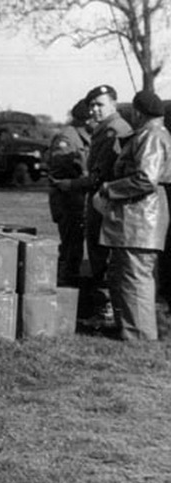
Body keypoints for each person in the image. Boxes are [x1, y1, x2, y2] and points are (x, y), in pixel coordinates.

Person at [92, 90, 171, 340]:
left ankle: (139, 335)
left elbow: (146, 179)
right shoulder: (156, 134)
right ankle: (131, 328)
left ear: (137, 112)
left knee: (135, 278)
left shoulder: (151, 136)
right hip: (138, 219)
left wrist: (109, 189)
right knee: (126, 275)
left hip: (140, 220)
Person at [54, 85, 132, 326]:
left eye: (100, 104)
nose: (95, 109)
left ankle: (107, 309)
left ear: (113, 105)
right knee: (100, 254)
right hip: (103, 200)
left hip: (105, 201)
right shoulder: (108, 128)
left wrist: (70, 184)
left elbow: (100, 175)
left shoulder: (113, 130)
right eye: (92, 105)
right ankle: (108, 308)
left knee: (102, 255)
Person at [47, 99, 93, 286]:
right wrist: (83, 178)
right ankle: (65, 285)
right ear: (86, 120)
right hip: (68, 202)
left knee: (74, 246)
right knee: (70, 248)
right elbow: (58, 174)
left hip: (77, 199)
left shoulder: (84, 136)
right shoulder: (67, 139)